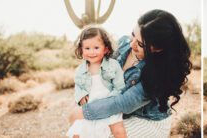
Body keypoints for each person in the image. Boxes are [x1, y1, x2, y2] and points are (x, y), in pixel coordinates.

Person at [69, 9, 192, 137]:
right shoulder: (123, 43)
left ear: (158, 48)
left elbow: (123, 103)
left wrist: (85, 111)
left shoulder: (159, 74)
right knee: (83, 129)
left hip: (146, 120)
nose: (132, 44)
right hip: (117, 112)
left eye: (140, 44)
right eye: (133, 34)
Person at [67, 26, 127, 138]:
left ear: (106, 49)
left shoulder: (113, 65)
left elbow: (120, 86)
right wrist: (80, 96)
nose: (92, 52)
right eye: (87, 48)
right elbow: (78, 86)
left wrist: (110, 101)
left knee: (119, 131)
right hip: (90, 106)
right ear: (81, 50)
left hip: (110, 105)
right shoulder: (80, 70)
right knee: (78, 132)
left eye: (96, 47)